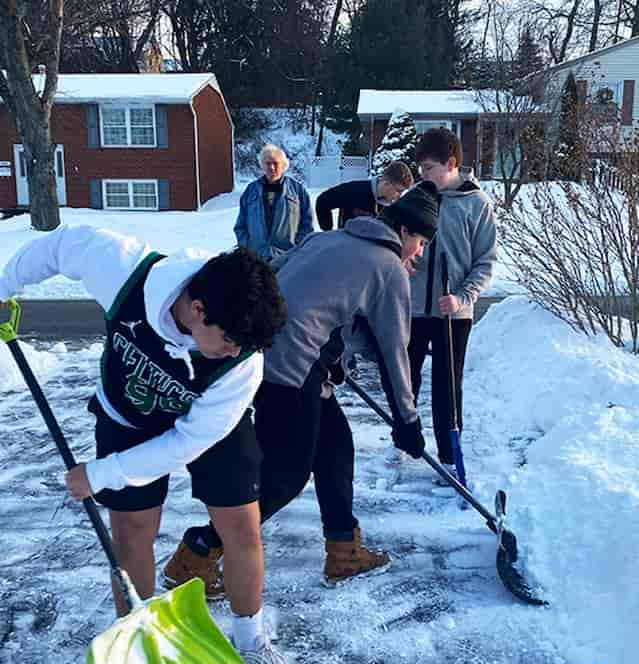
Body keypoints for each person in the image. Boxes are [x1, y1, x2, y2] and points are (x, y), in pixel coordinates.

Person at [0, 225, 305, 664]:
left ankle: (250, 639)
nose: (237, 352)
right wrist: (4, 286)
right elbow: (63, 245)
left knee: (241, 528)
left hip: (208, 423)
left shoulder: (240, 365)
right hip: (126, 415)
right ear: (197, 308)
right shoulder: (127, 270)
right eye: (230, 341)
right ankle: (138, 643)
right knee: (130, 534)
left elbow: (183, 444)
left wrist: (102, 473)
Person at [163, 182, 441, 590]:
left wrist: (327, 344)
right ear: (404, 232)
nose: (419, 252)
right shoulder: (387, 268)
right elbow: (394, 350)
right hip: (291, 372)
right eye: (420, 242)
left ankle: (344, 548)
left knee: (336, 446)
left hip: (265, 356)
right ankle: (199, 552)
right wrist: (407, 420)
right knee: (285, 477)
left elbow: (275, 272)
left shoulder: (330, 238)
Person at [407, 127, 497, 479]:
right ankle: (403, 443)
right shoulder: (416, 196)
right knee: (405, 378)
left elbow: (485, 262)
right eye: (420, 169)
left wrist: (461, 297)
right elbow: (393, 238)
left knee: (447, 384)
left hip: (453, 313)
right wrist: (403, 260)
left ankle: (448, 454)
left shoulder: (477, 204)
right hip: (414, 307)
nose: (423, 176)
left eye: (429, 168)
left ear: (451, 163)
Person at [234, 144, 314, 261]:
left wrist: (296, 247)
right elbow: (240, 226)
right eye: (267, 163)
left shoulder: (297, 190)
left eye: (275, 163)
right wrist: (248, 248)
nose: (271, 167)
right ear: (262, 165)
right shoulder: (251, 190)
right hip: (256, 258)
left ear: (283, 165)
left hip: (287, 257)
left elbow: (307, 225)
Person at [315, 160, 414, 231]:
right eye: (398, 191)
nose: (399, 196)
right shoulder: (354, 190)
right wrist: (328, 232)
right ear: (386, 183)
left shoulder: (394, 208)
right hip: (346, 252)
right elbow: (323, 201)